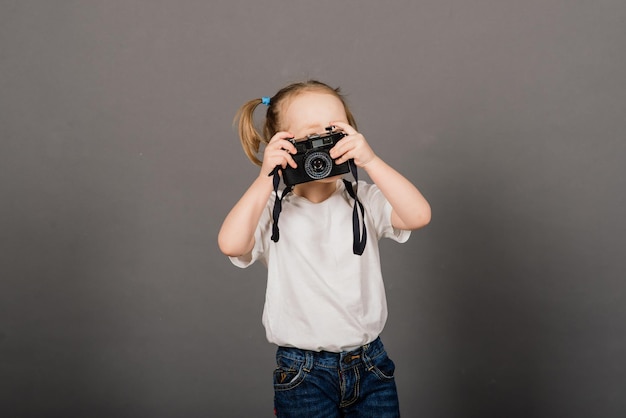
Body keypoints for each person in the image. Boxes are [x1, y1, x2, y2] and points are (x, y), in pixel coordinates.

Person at [218, 80, 431, 417]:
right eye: (309, 138)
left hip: (371, 364)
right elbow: (230, 243)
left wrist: (372, 161)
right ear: (282, 145)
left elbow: (419, 215)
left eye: (333, 133)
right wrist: (265, 177)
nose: (323, 148)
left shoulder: (362, 198)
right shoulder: (271, 209)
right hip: (303, 373)